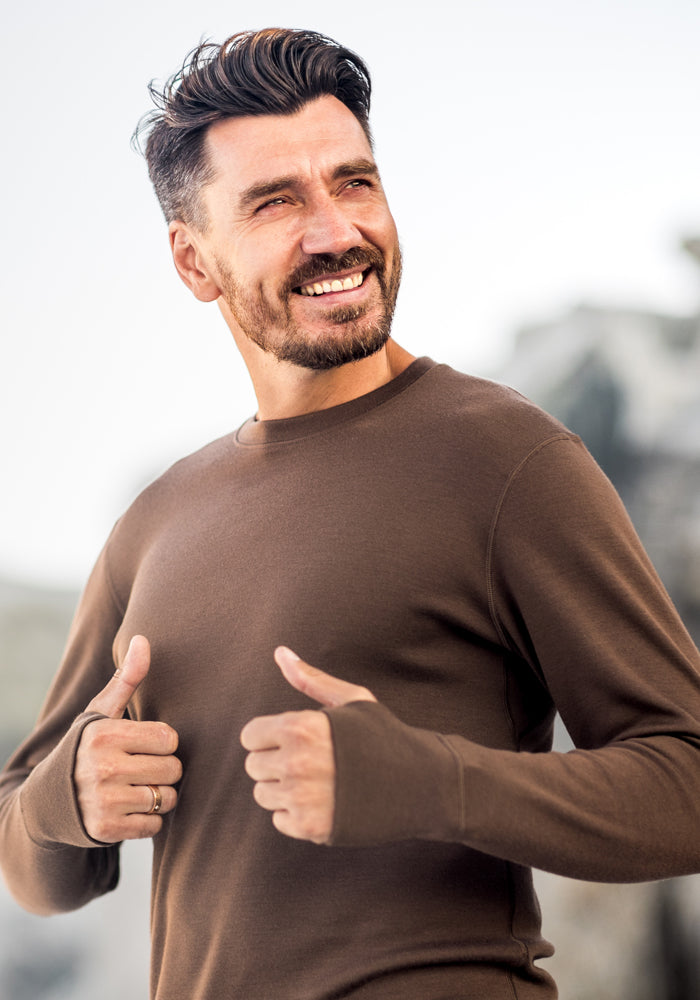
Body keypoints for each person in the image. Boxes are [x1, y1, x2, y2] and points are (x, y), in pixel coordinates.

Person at [2, 27, 700, 1000]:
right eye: (277, 202)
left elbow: (685, 780)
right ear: (193, 262)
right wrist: (67, 798)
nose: (335, 232)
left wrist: (428, 781)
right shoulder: (153, 522)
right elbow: (34, 867)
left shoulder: (505, 458)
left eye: (354, 182)